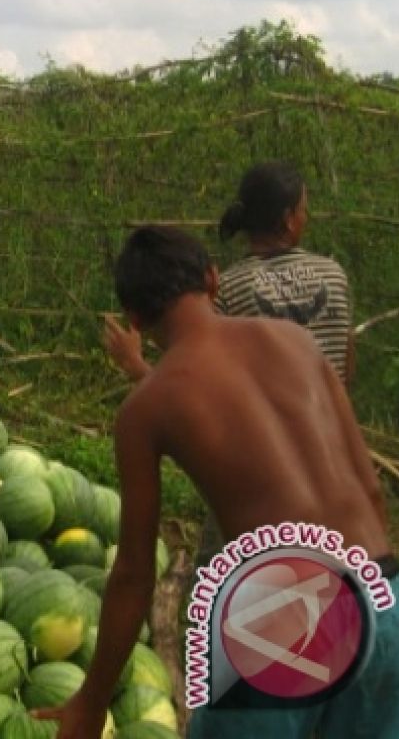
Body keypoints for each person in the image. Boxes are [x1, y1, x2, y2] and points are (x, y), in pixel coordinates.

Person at [39, 226, 399, 738]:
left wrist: (91, 699)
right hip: (385, 597)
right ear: (213, 279)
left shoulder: (145, 408)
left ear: (136, 319)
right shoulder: (299, 343)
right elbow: (369, 489)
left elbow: (134, 573)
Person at [103, 161, 357, 566]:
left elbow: (199, 390)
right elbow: (345, 367)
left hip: (258, 479)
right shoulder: (335, 275)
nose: (306, 216)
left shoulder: (232, 286)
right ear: (290, 220)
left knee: (223, 588)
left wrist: (137, 366)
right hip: (335, 464)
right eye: (305, 208)